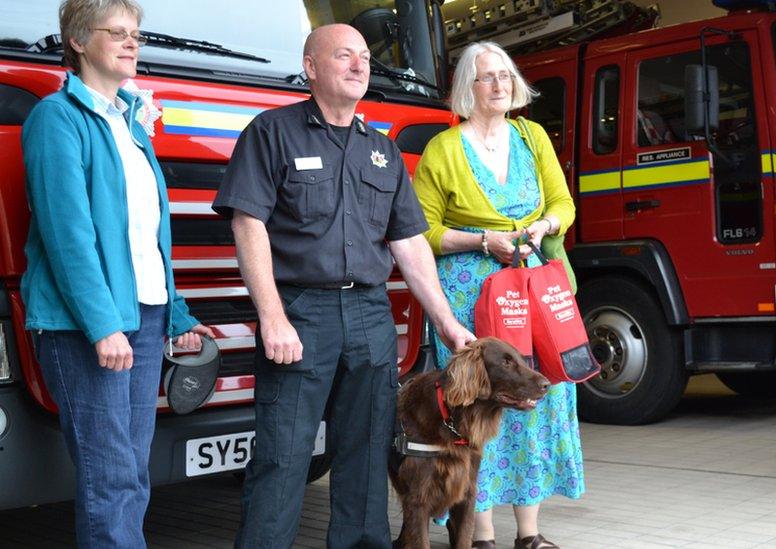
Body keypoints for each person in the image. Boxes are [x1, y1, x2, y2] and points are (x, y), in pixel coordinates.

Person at [212, 24, 475, 549]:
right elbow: (248, 224)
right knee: (283, 455)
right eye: (343, 56)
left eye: (364, 58)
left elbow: (409, 244)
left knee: (367, 449)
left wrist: (447, 323)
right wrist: (272, 316)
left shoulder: (381, 151)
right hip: (301, 313)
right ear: (310, 67)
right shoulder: (272, 132)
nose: (359, 65)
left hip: (371, 315)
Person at [20, 0, 212, 546]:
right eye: (118, 33)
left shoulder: (130, 124)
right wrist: (103, 326)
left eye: (137, 34)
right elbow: (67, 236)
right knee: (110, 477)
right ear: (78, 41)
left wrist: (175, 314)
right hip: (88, 327)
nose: (132, 43)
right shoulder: (56, 119)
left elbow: (149, 237)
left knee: (131, 473)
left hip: (146, 319)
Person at [411, 41, 585, 549]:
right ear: (468, 87)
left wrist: (543, 227)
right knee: (476, 410)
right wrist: (482, 240)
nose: (499, 85)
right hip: (473, 297)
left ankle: (529, 535)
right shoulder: (443, 150)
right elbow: (421, 232)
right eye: (486, 77)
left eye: (505, 76)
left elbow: (563, 203)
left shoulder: (532, 137)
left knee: (536, 398)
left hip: (534, 291)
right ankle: (478, 534)